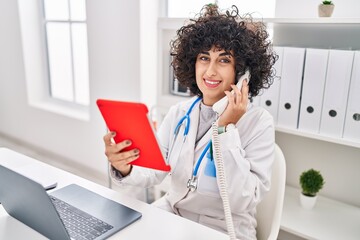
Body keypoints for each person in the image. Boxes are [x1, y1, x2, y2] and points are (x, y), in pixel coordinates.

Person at [103, 4, 277, 240]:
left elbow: (241, 200)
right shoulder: (179, 113)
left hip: (222, 229)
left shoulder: (259, 123)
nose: (211, 71)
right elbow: (154, 172)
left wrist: (225, 129)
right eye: (204, 58)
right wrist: (125, 166)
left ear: (243, 71)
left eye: (224, 60)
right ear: (192, 62)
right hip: (171, 215)